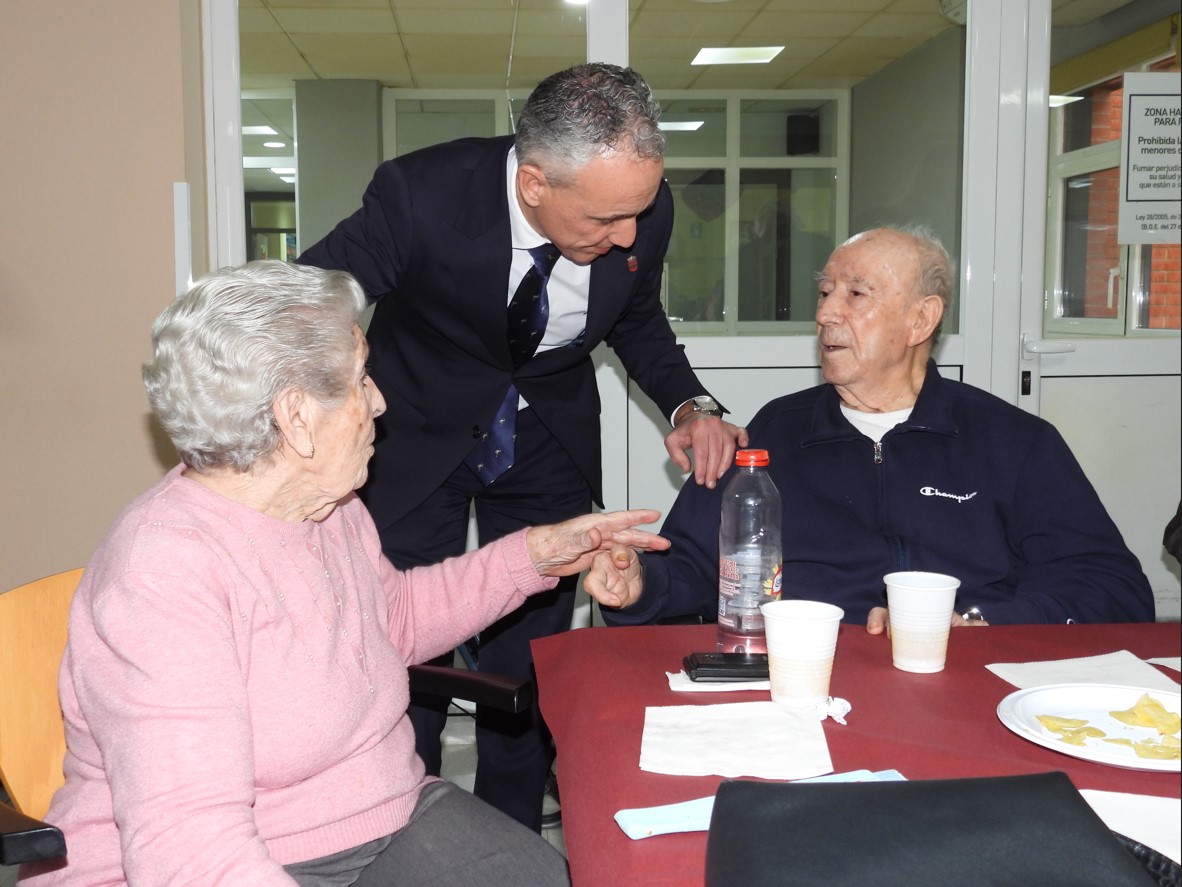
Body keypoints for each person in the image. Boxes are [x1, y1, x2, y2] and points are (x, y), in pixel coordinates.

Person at [20, 261, 659, 887]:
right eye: (360, 379)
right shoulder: (162, 574)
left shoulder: (328, 507)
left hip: (379, 816)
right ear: (296, 418)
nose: (379, 401)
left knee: (541, 876)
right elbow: (189, 853)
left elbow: (394, 622)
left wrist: (536, 554)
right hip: (237, 857)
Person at [296, 62, 746, 829]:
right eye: (605, 221)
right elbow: (310, 296)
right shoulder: (421, 195)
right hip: (418, 435)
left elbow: (636, 318)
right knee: (403, 649)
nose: (629, 234)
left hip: (545, 432)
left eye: (637, 213)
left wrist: (691, 401)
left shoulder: (639, 202)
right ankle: (404, 822)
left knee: (527, 655)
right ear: (534, 183)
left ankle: (509, 833)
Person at [600, 227, 1155, 632]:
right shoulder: (776, 431)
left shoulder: (1012, 441)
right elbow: (698, 566)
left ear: (921, 320)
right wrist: (638, 585)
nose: (825, 314)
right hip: (808, 673)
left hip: (965, 677)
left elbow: (1110, 586)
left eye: (856, 294)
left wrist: (982, 623)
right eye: (824, 292)